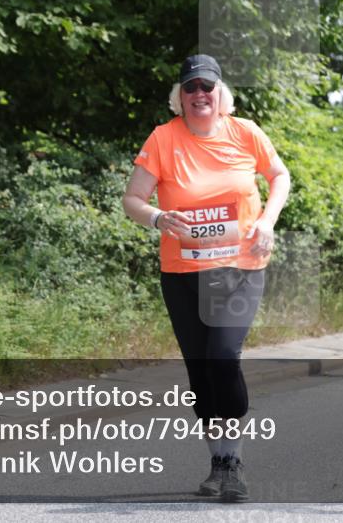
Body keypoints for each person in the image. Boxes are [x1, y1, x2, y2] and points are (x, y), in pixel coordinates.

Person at [122, 54, 290, 502]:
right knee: (200, 370)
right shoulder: (162, 139)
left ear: (221, 94)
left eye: (207, 87)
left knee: (223, 356)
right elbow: (133, 199)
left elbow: (279, 175)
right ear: (180, 96)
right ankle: (217, 461)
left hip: (239, 267)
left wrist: (268, 221)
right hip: (182, 273)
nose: (200, 94)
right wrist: (158, 218)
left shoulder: (245, 132)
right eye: (191, 87)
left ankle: (233, 462)